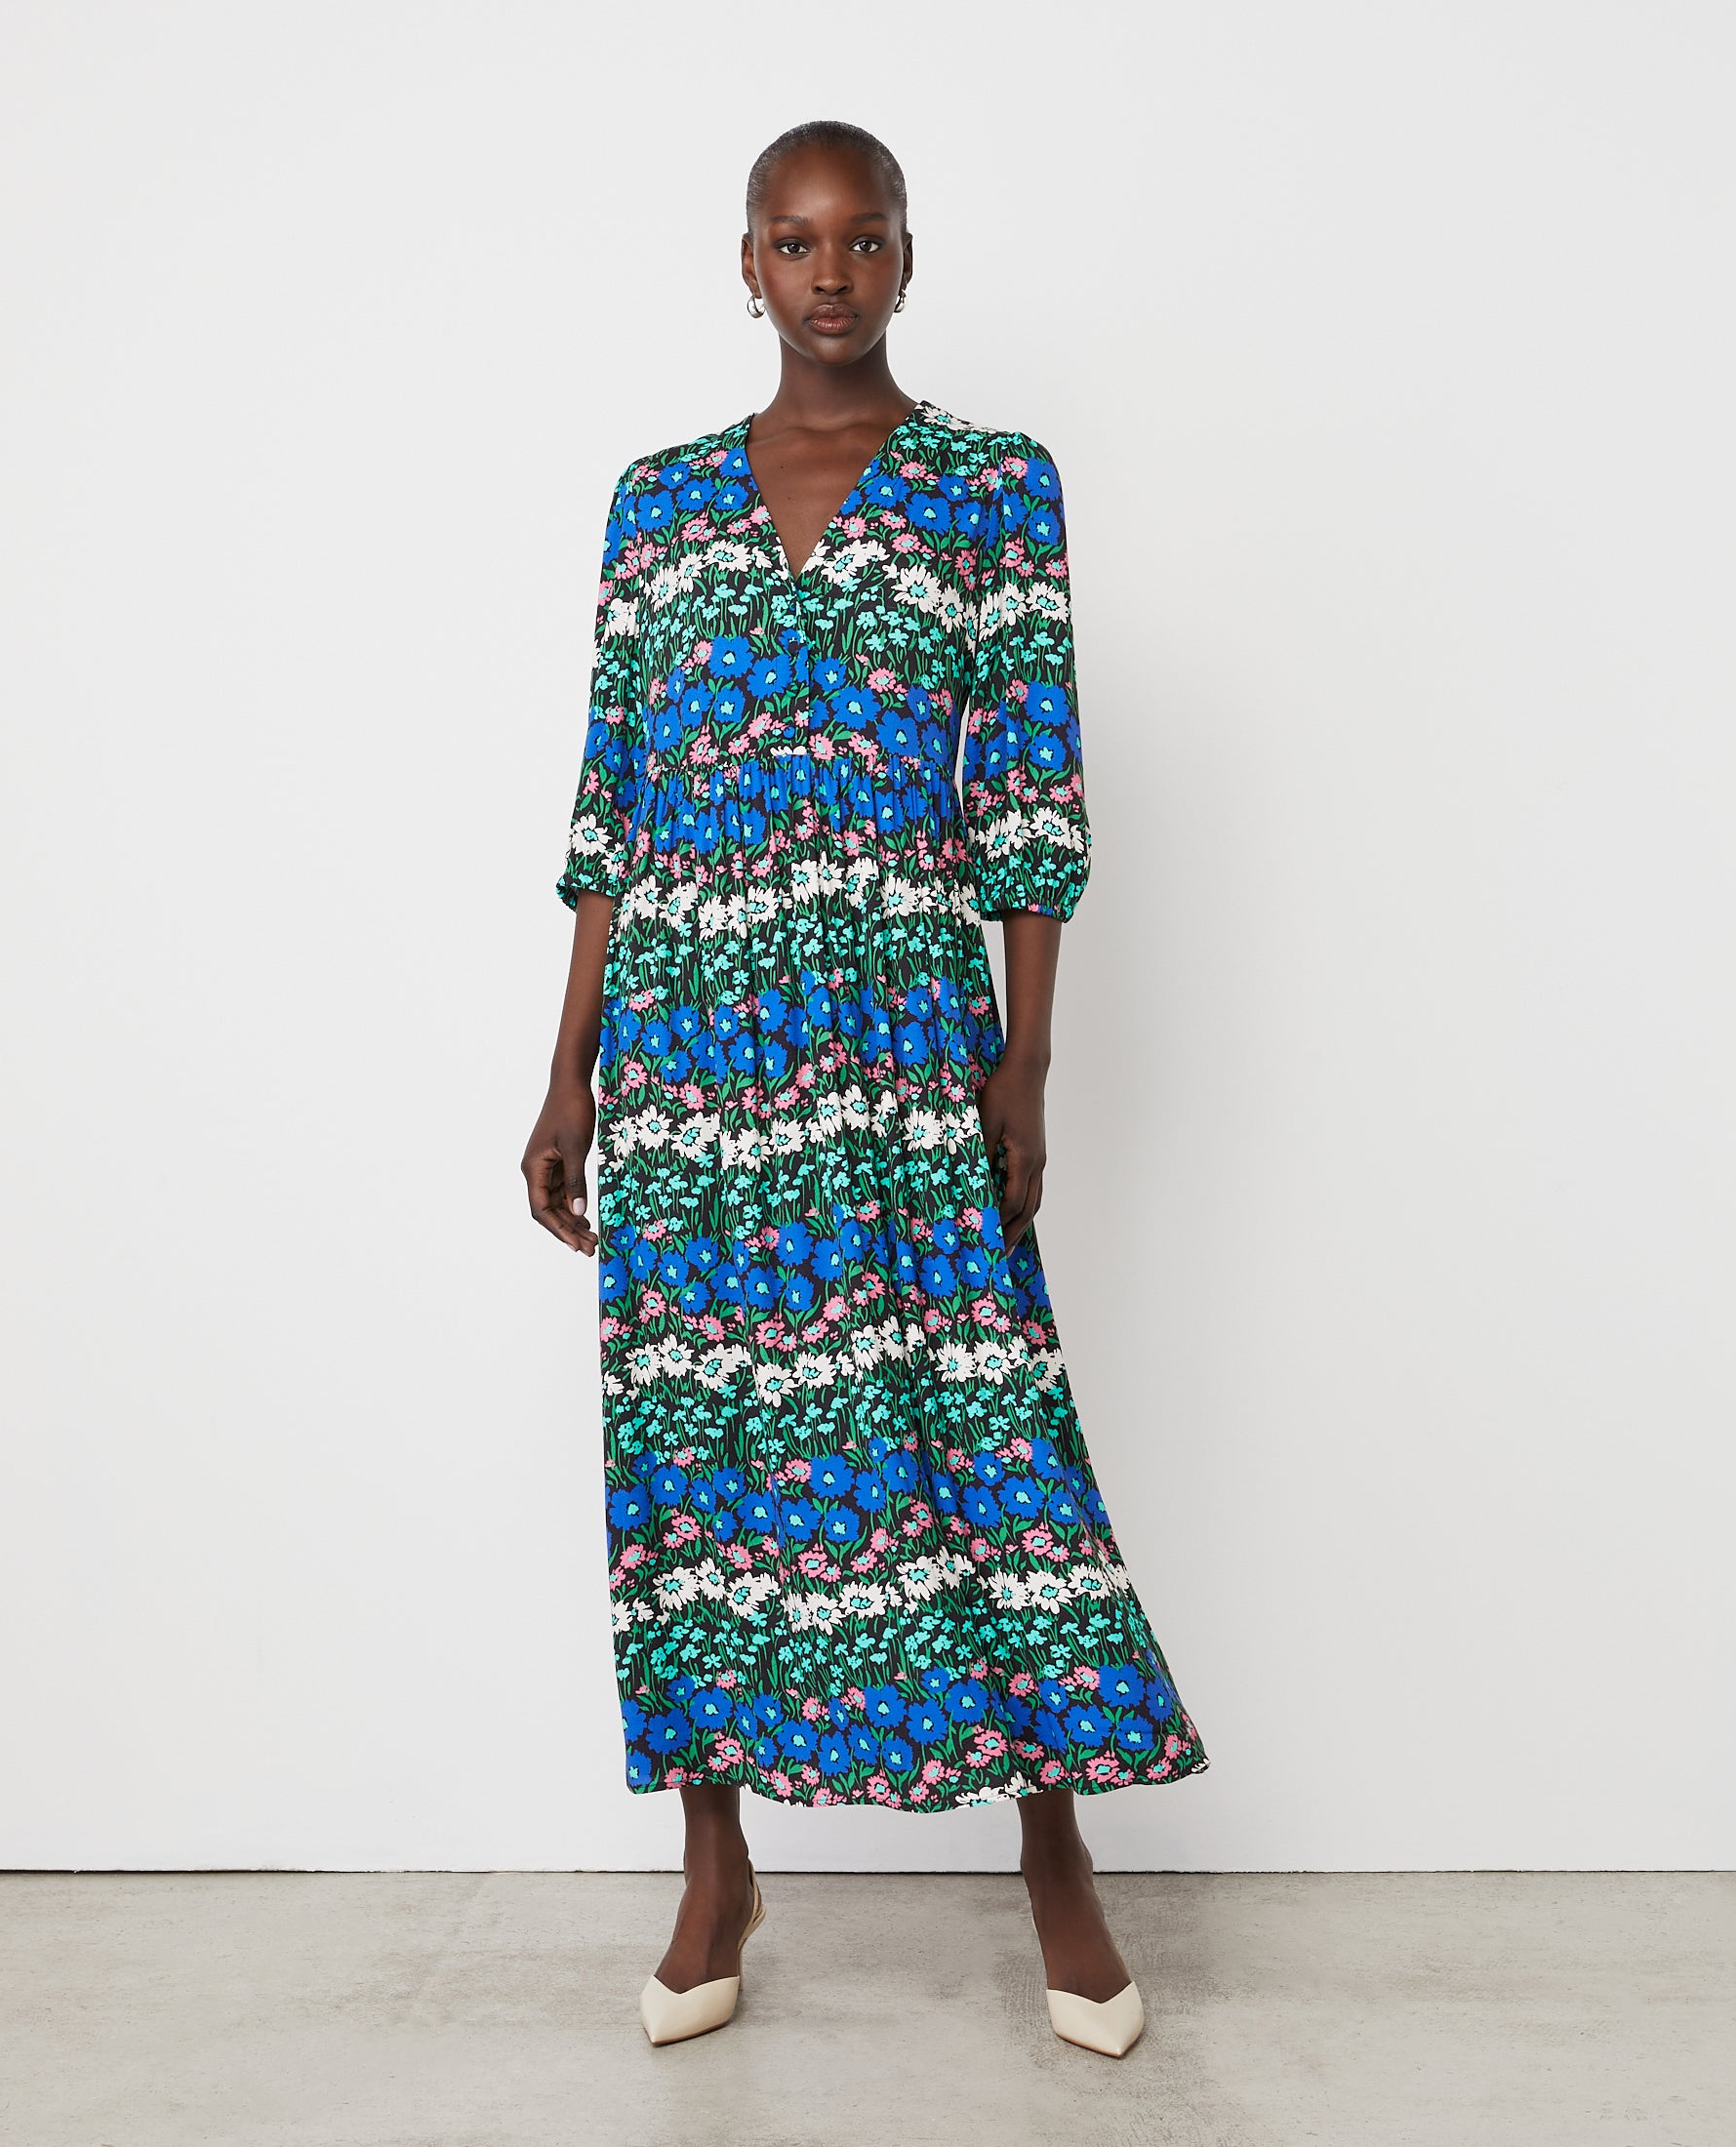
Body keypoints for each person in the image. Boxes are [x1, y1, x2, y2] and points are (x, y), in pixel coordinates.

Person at [522, 119, 1207, 2058]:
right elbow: (613, 804)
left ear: (908, 257)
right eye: (794, 240)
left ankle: (1054, 1853)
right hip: (692, 1046)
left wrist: (1027, 1057)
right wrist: (568, 1069)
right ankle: (713, 1860)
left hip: (905, 1040)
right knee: (700, 1452)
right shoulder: (658, 506)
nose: (831, 273)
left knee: (978, 1435)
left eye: (866, 238)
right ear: (744, 263)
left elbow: (1032, 790)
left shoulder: (992, 487)